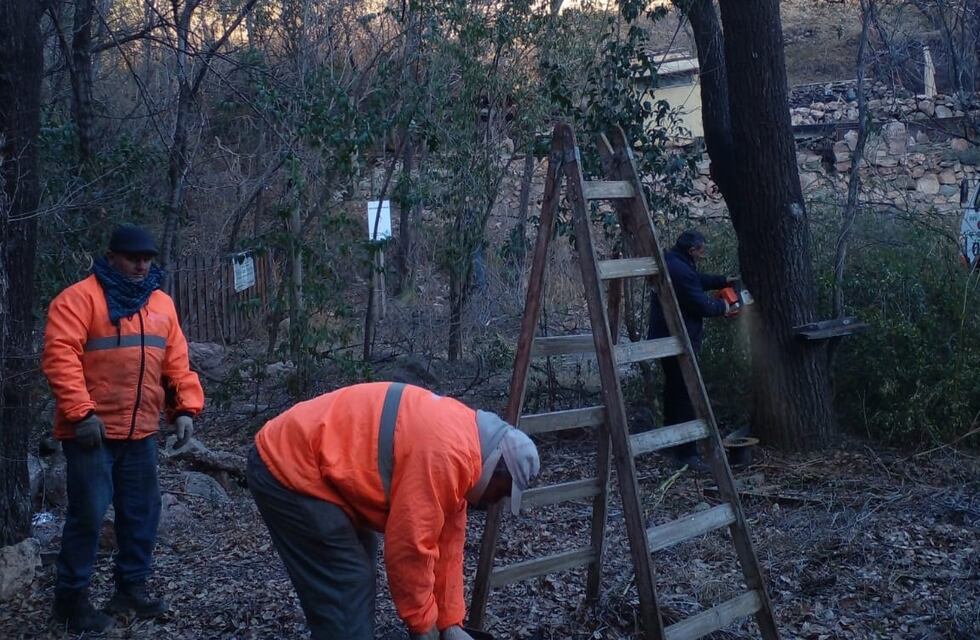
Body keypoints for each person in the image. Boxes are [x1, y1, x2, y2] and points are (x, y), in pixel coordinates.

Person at [247, 382, 541, 640]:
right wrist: (423, 625)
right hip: (289, 464)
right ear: (497, 467)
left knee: (360, 559)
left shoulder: (465, 454)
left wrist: (450, 623)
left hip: (319, 469)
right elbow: (410, 548)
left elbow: (448, 550)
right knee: (348, 579)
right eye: (502, 491)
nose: (496, 502)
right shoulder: (447, 454)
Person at [42, 224, 204, 633]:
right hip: (91, 433)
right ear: (112, 256)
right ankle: (70, 601)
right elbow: (60, 358)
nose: (140, 266)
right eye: (133, 258)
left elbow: (175, 362)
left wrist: (183, 409)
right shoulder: (78, 300)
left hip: (141, 431)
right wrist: (81, 414)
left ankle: (131, 587)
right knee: (88, 515)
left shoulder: (161, 304)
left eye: (146, 259)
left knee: (142, 513)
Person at [648, 229, 733, 470]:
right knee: (685, 394)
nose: (703, 254)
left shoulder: (675, 261)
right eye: (701, 251)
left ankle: (670, 443)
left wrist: (723, 280)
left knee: (673, 390)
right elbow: (700, 304)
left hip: (666, 338)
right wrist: (723, 307)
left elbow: (696, 281)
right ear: (691, 250)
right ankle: (686, 453)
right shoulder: (680, 270)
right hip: (678, 340)